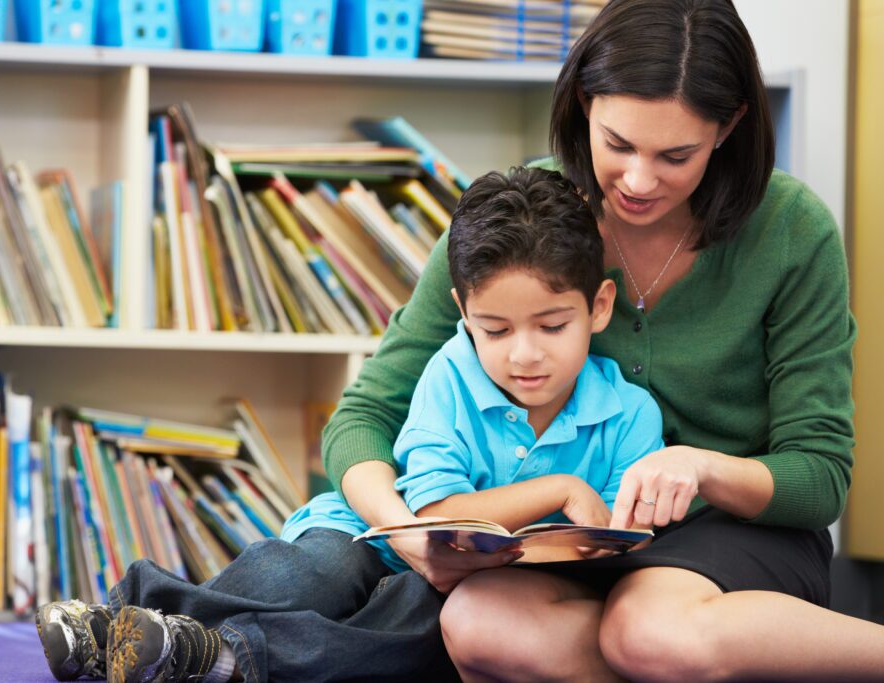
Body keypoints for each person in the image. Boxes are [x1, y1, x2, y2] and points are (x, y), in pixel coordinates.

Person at [324, 0, 879, 680]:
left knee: (647, 628)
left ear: (730, 125)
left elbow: (820, 476)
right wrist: (406, 529)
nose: (640, 181)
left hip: (734, 535)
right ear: (583, 101)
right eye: (617, 144)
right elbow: (365, 416)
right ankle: (701, 659)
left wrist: (701, 466)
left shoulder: (793, 229)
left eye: (677, 154)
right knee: (476, 622)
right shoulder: (521, 216)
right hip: (574, 542)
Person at [34, 167, 664, 683]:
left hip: (473, 589)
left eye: (552, 327)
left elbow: (608, 550)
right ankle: (126, 618)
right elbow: (438, 510)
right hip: (372, 530)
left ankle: (216, 657)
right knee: (303, 575)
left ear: (599, 306)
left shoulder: (631, 416)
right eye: (495, 330)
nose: (524, 354)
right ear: (463, 313)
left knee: (413, 633)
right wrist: (557, 494)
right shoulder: (450, 375)